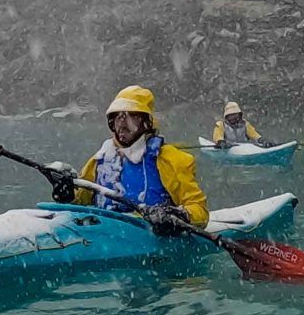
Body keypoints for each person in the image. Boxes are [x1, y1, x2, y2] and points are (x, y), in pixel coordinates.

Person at [52, 85, 207, 235]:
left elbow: (199, 211)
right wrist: (67, 195)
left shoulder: (169, 159)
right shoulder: (100, 159)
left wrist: (177, 216)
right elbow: (81, 203)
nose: (123, 124)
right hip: (104, 235)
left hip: (150, 239)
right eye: (118, 118)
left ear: (147, 123)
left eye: (133, 117)